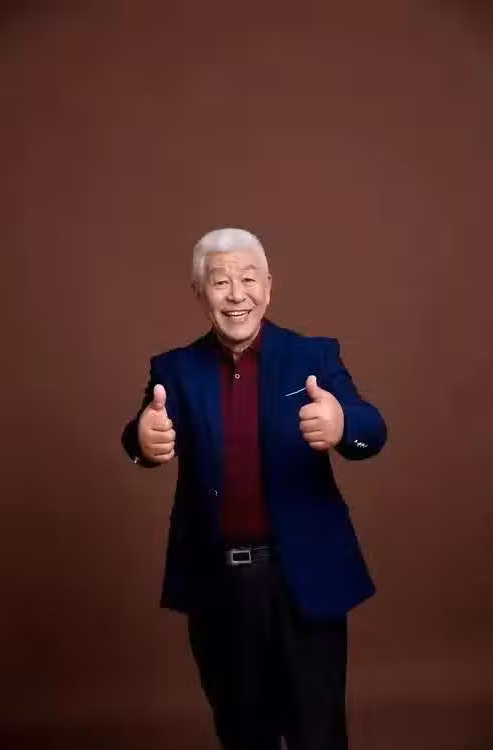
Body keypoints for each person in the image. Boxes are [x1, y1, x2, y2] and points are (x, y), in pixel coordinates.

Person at [121, 228, 387, 750]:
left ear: (269, 286)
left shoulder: (312, 356)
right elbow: (145, 433)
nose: (236, 294)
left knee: (319, 734)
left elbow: (371, 429)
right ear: (200, 293)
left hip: (305, 580)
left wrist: (341, 425)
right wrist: (142, 442)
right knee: (242, 734)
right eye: (220, 282)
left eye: (248, 279)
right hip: (219, 585)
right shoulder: (174, 370)